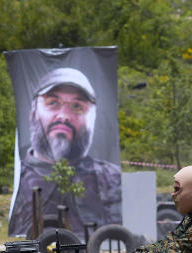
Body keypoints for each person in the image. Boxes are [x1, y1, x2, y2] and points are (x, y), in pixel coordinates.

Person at [8, 67, 121, 238]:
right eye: (52, 103)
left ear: (93, 120)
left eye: (77, 106)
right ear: (32, 115)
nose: (63, 116)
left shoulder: (113, 179)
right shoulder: (15, 180)